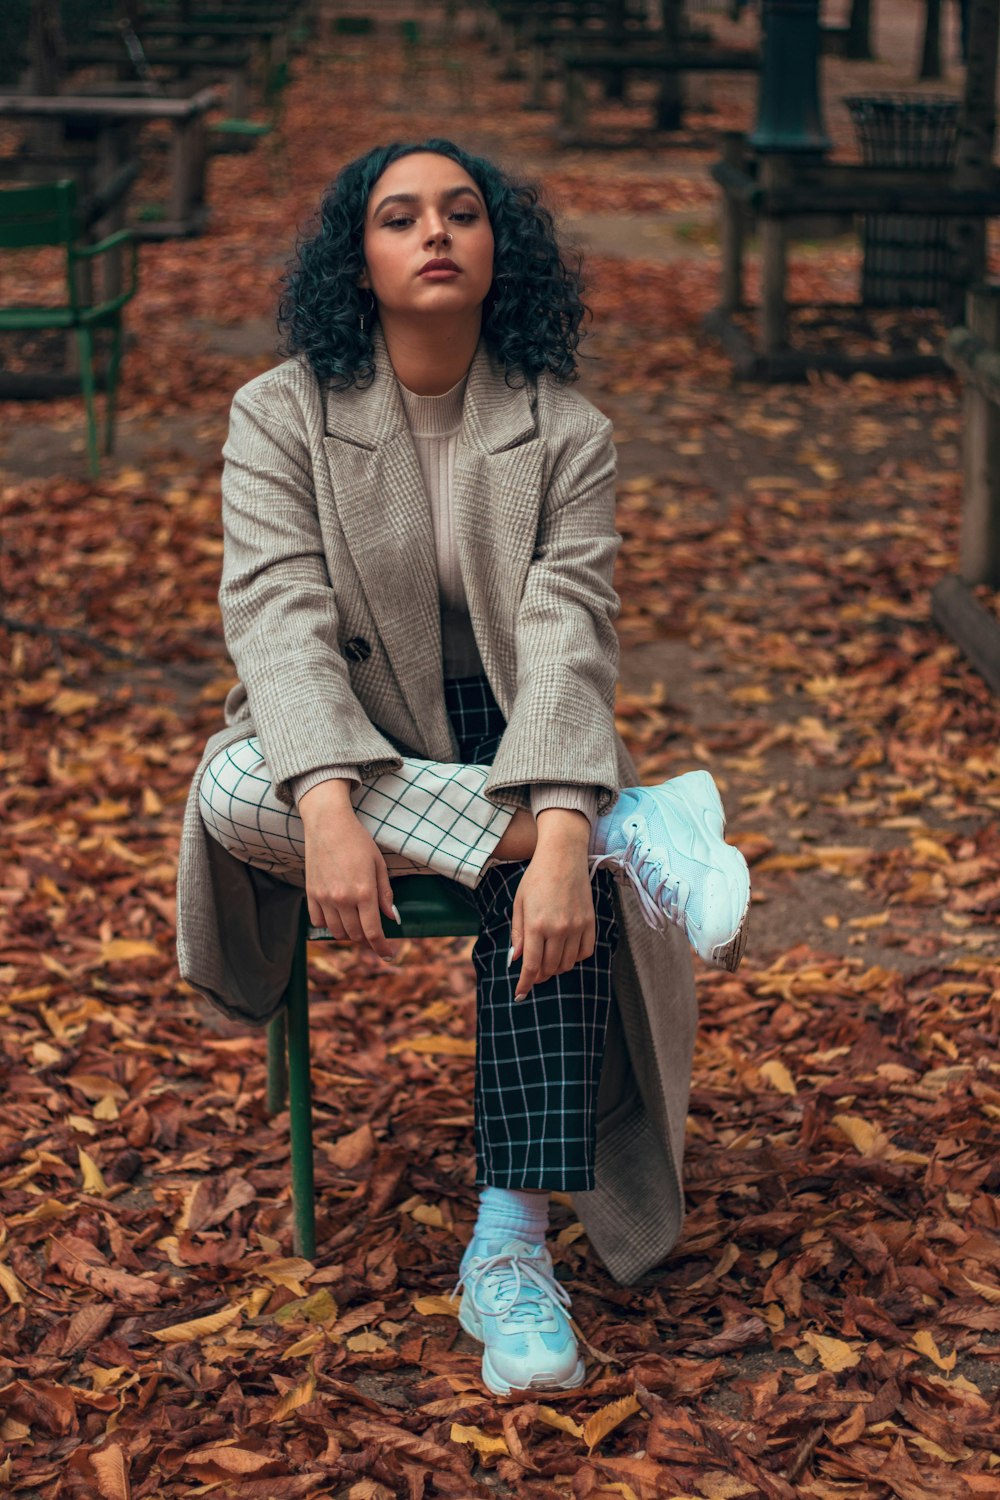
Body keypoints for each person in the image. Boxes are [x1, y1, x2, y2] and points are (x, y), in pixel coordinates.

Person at [175, 138, 751, 1399]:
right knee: (229, 795)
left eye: (461, 213)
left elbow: (565, 635)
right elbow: (275, 615)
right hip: (341, 729)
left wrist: (551, 831)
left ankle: (510, 1249)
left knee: (562, 884)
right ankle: (629, 828)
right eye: (398, 217)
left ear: (500, 252)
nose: (434, 233)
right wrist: (325, 796)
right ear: (359, 260)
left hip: (510, 729)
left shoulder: (564, 430)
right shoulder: (280, 412)